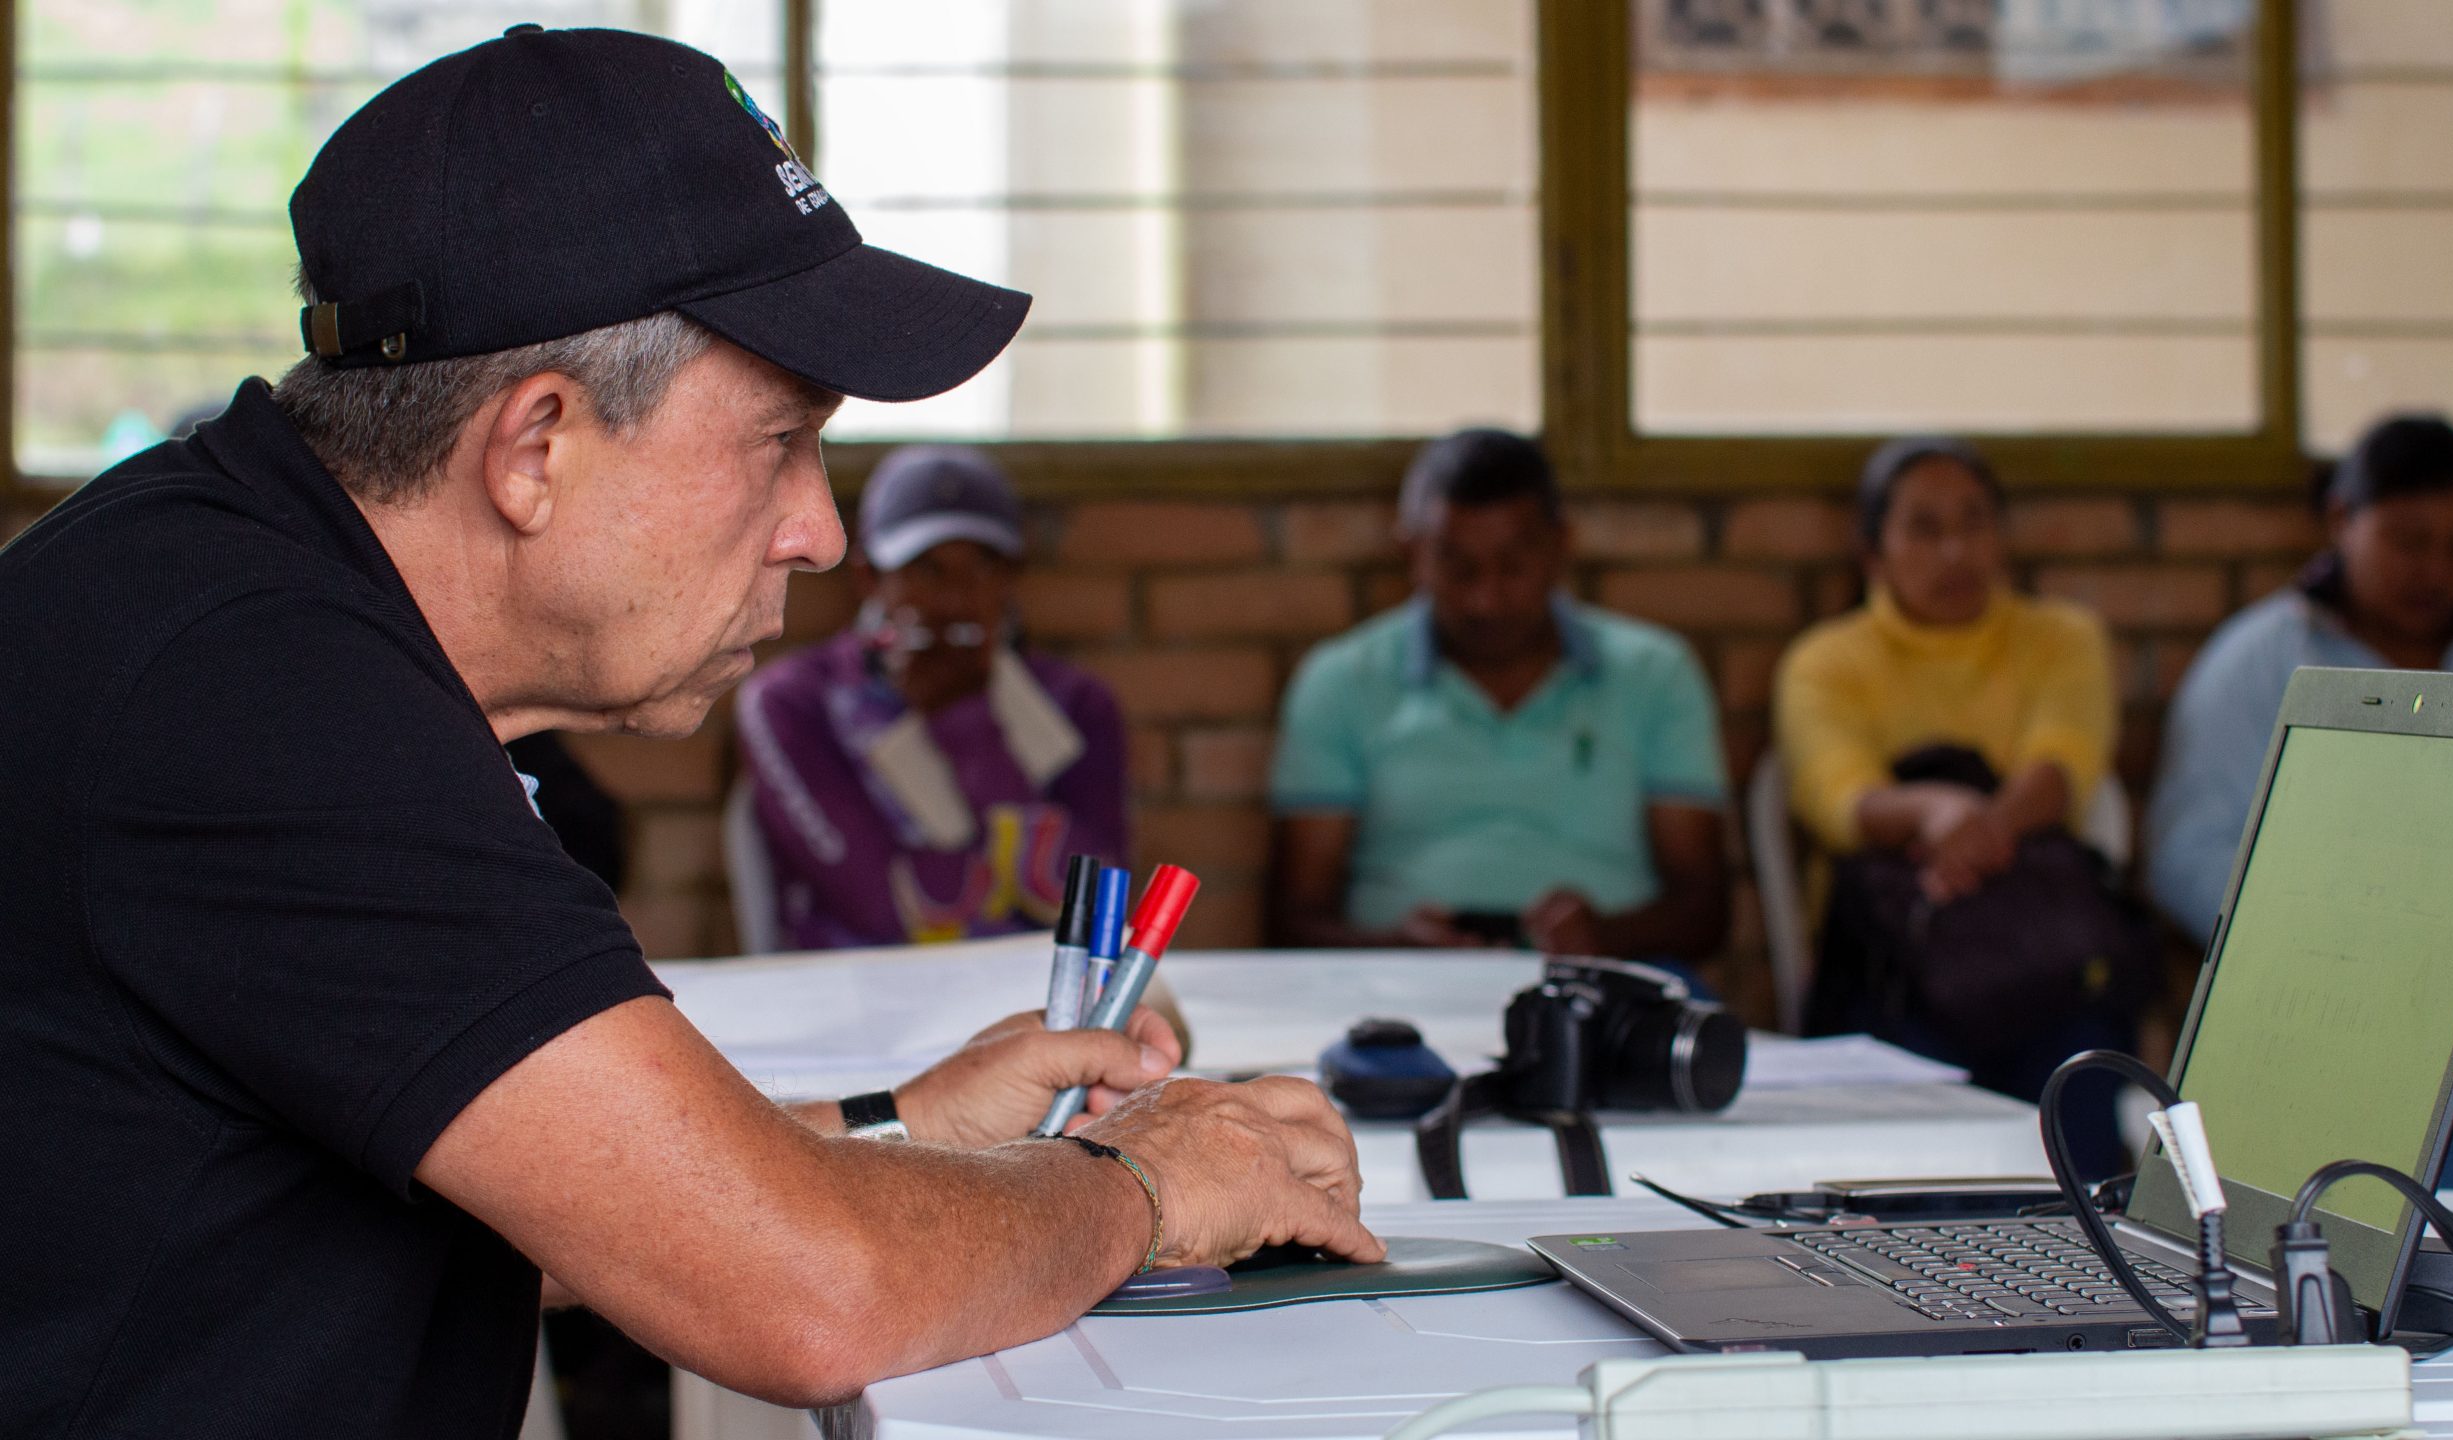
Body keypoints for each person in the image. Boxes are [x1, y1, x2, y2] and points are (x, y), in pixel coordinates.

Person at [0, 29, 1377, 1438]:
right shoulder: (257, 702)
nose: (823, 532)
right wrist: (1145, 1185)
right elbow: (804, 1295)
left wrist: (904, 1132)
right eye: (780, 441)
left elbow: (550, 1208)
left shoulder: (244, 597)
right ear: (536, 446)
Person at [2149, 413, 2453, 1207]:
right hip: (2339, 997)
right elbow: (2187, 853)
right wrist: (2323, 944)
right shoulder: (2260, 659)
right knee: (2416, 1115)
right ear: (2343, 520)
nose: (2436, 569)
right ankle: (2452, 1301)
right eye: (2409, 540)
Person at [1774, 437, 2152, 1170]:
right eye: (1924, 528)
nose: (1955, 550)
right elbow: (1838, 799)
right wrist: (1930, 813)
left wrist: (1975, 830)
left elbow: (2065, 764)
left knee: (2079, 1096)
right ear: (1872, 553)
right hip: (1895, 971)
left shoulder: (2062, 639)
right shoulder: (1825, 662)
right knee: (1907, 1152)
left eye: (1974, 523)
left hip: (2043, 960)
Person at [1266, 427, 1731, 969]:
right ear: (1410, 551)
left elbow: (1706, 912)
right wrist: (1396, 951)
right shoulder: (1341, 681)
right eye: (1456, 566)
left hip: (1610, 989)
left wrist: (1605, 937)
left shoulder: (1656, 675)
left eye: (1513, 566)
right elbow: (1292, 920)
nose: (1485, 599)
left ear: (1561, 545)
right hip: (1396, 1001)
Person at [738, 445, 1126, 949]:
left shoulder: (1076, 705)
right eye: (926, 570)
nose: (956, 600)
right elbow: (879, 909)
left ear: (1013, 578)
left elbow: (1096, 910)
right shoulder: (793, 704)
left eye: (983, 567)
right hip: (862, 1004)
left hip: (1031, 997)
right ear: (870, 578)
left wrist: (966, 724)